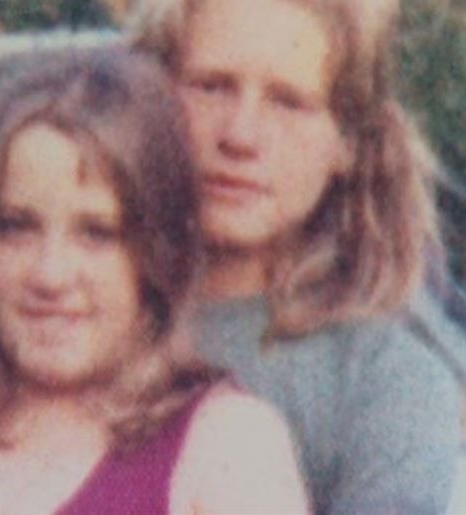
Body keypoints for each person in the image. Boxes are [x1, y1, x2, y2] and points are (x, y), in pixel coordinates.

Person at [0, 47, 307, 514]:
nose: (51, 274)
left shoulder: (223, 449)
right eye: (17, 227)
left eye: (96, 233)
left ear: (159, 254)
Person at [127, 0, 462, 513]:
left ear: (348, 141)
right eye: (211, 87)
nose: (240, 135)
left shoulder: (384, 380)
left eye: (288, 103)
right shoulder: (49, 311)